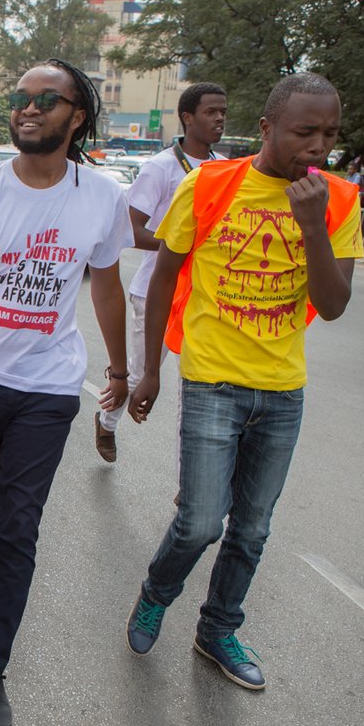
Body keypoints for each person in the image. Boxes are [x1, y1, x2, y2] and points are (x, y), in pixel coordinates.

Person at [124, 73, 363, 691]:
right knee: (201, 521)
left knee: (252, 528)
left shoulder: (339, 200)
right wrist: (151, 370)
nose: (318, 147)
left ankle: (218, 629)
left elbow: (333, 305)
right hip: (213, 381)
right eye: (304, 132)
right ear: (266, 128)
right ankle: (157, 590)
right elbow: (162, 279)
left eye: (329, 135)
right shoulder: (207, 184)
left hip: (283, 390)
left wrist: (311, 226)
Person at [0, 60, 132, 726]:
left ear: (78, 115)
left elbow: (104, 286)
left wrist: (120, 371)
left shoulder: (99, 196)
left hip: (48, 386)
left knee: (20, 524)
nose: (29, 108)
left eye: (48, 99)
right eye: (21, 98)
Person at [93, 82, 226, 463]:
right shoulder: (161, 168)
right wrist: (181, 247)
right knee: (139, 376)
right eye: (210, 112)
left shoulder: (222, 170)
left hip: (205, 293)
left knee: (200, 386)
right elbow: (131, 230)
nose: (218, 119)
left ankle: (193, 475)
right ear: (187, 118)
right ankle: (106, 422)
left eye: (223, 112)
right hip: (157, 290)